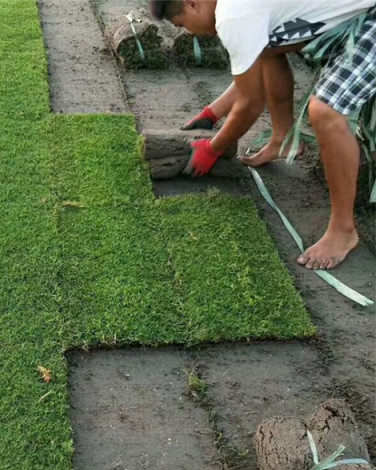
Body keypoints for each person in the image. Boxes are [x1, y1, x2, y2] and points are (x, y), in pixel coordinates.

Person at [150, 0, 376, 271]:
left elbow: (250, 103)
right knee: (269, 47)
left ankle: (343, 230)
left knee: (325, 110)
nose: (188, 32)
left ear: (191, 3)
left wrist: (212, 149)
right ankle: (281, 138)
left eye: (181, 24)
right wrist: (212, 114)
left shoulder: (231, 15)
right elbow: (254, 64)